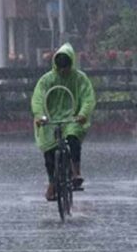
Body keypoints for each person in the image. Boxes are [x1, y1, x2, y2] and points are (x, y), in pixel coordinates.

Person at [31, 43, 96, 201]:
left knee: (73, 137)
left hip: (72, 117)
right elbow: (38, 98)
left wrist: (82, 114)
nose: (63, 71)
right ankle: (52, 184)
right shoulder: (47, 80)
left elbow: (88, 98)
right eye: (60, 68)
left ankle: (76, 172)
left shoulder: (79, 79)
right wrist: (39, 115)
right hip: (50, 119)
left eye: (66, 67)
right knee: (49, 155)